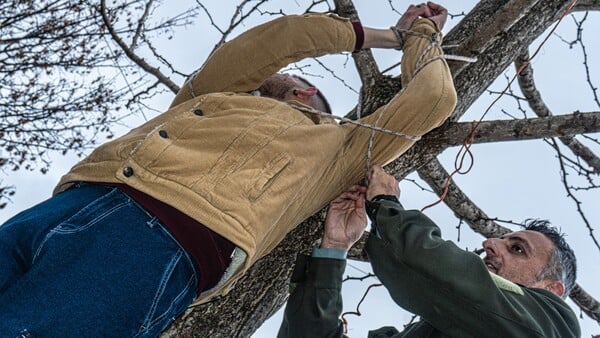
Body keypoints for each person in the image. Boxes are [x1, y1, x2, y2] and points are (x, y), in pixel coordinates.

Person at [0, 2, 456, 336]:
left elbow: (433, 98)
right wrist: (386, 37)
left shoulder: (341, 146)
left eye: (291, 76)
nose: (272, 73)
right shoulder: (215, 95)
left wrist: (421, 35)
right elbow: (284, 37)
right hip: (79, 198)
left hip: (170, 236)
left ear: (303, 93)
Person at [277, 165, 580, 337]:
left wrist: (386, 203)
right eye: (499, 239)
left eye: (517, 249)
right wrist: (333, 249)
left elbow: (436, 269)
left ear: (551, 289)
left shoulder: (553, 328)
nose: (490, 244)